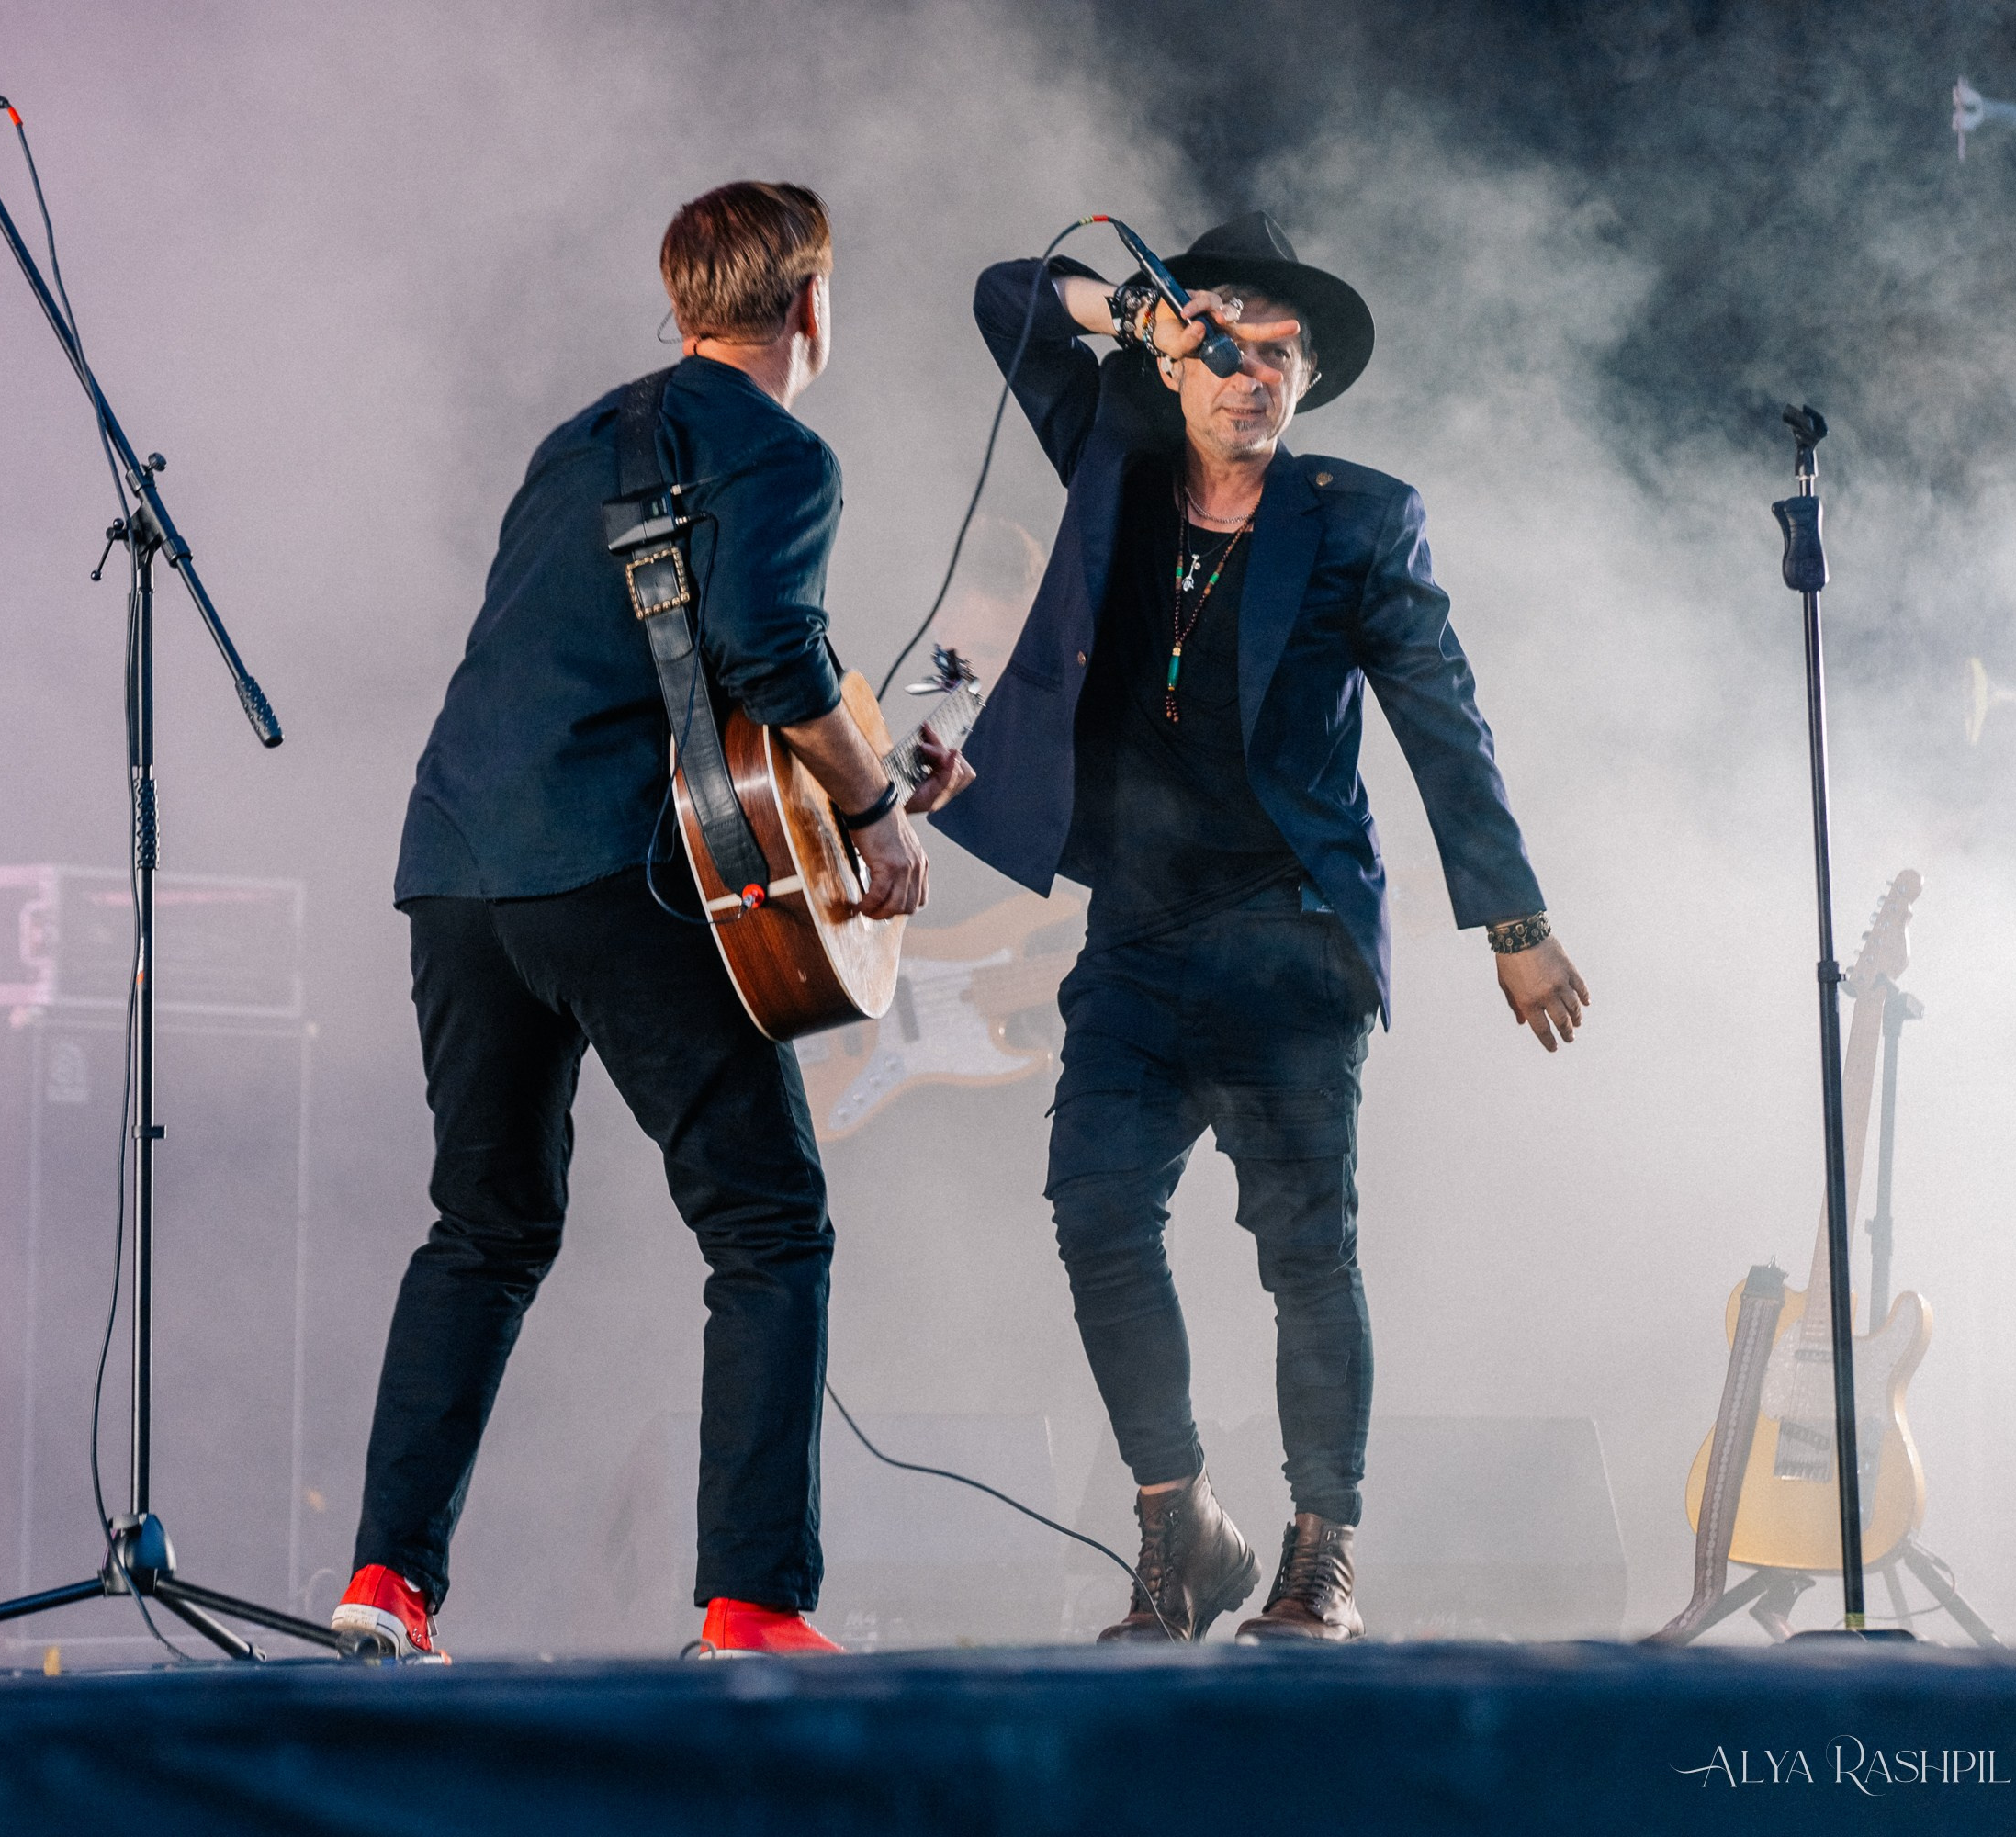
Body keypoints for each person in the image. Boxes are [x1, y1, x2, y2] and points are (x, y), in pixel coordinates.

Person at [333, 181, 971, 1662]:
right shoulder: (784, 451)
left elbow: (669, 679)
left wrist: (862, 776)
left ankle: (385, 1587)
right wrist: (873, 815)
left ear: (681, 307)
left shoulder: (573, 444)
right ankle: (751, 1605)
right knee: (767, 1224)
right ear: (810, 304)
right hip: (611, 874)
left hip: (455, 866)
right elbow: (765, 646)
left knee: (481, 1228)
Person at [930, 211, 1589, 1643]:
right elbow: (1004, 292)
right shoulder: (1116, 455)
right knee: (1096, 1213)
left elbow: (1442, 722)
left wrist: (1514, 919)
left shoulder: (1356, 515)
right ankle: (1180, 1526)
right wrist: (1135, 314)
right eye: (1223, 339)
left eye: (1279, 351)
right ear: (1176, 358)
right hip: (1141, 935)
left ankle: (1319, 1552)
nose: (1251, 370)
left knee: (1306, 1251)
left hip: (1292, 935)